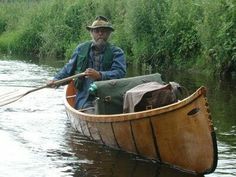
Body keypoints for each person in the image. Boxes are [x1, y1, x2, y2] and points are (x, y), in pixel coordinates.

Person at [48, 16, 126, 109]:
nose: (100, 33)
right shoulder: (81, 49)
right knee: (89, 110)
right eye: (97, 31)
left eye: (103, 31)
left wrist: (99, 75)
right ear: (91, 33)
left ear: (108, 33)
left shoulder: (117, 52)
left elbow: (119, 73)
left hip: (109, 97)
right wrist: (56, 80)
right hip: (85, 98)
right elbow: (68, 70)